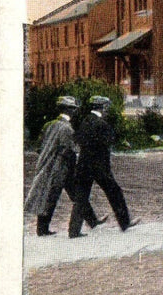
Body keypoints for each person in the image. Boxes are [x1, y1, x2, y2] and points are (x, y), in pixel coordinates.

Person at [25, 96, 104, 236]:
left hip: (47, 167)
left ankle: (43, 228)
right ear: (69, 110)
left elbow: (38, 147)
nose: (74, 111)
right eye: (73, 109)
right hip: (62, 169)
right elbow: (69, 152)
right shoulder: (67, 128)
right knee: (69, 196)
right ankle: (86, 224)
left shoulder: (48, 125)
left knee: (49, 196)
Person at [68, 96, 137, 238]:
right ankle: (124, 223)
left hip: (83, 166)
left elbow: (77, 139)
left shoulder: (84, 122)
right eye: (106, 108)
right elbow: (109, 142)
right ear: (102, 108)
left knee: (81, 198)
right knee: (115, 192)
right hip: (100, 167)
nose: (107, 110)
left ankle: (73, 231)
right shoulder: (103, 125)